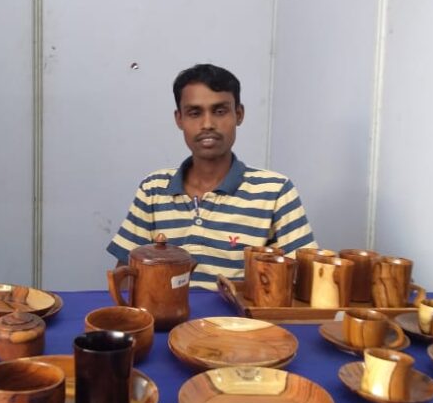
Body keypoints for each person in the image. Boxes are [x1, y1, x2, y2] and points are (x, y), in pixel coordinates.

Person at [106, 63, 317, 289]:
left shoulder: (275, 191)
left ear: (239, 114)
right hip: (165, 312)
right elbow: (126, 275)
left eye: (220, 111)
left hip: (241, 313)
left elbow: (304, 282)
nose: (207, 124)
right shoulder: (153, 190)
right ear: (179, 119)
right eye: (194, 113)